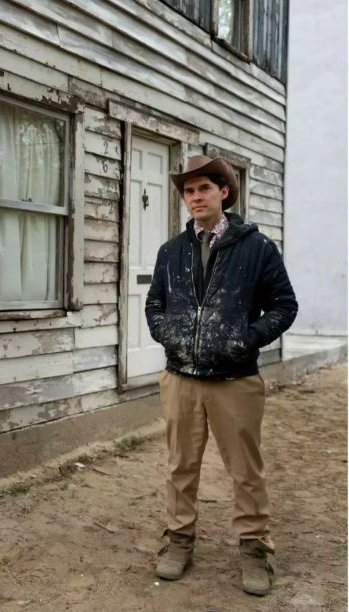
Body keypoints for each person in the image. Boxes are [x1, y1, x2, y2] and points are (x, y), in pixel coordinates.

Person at [144, 155, 298, 596]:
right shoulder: (170, 251)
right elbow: (155, 305)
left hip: (235, 383)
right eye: (189, 191)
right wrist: (169, 335)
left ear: (223, 193)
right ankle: (178, 542)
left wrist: (245, 340)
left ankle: (254, 550)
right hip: (181, 380)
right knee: (180, 467)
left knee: (246, 471)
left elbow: (285, 306)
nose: (195, 197)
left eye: (203, 189)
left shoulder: (258, 248)